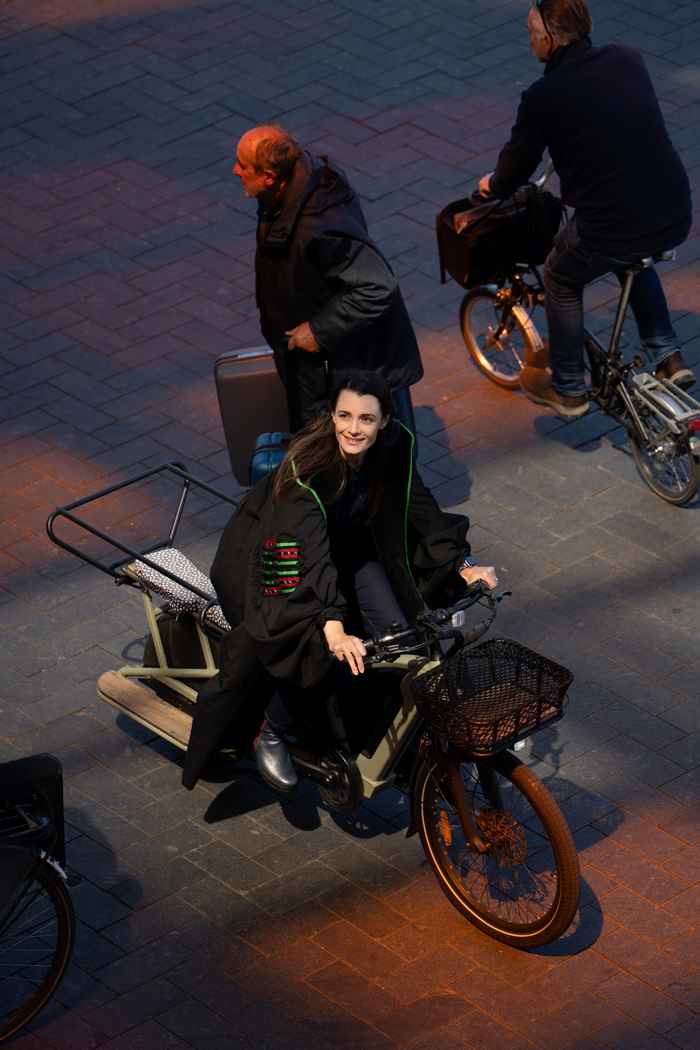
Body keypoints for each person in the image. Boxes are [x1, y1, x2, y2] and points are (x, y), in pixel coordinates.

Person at [182, 371, 496, 794]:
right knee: (306, 637)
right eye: (344, 415)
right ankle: (274, 727)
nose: (353, 428)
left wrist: (463, 564)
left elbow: (418, 505)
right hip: (279, 559)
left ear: (385, 421)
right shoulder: (309, 468)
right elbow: (306, 553)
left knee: (400, 637)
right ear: (331, 414)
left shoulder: (394, 445)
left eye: (366, 418)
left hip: (350, 551)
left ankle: (380, 732)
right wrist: (331, 623)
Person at [479, 0, 693, 419]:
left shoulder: (543, 96)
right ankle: (669, 356)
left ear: (551, 38)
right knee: (634, 254)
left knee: (560, 276)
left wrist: (493, 185)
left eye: (532, 33)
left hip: (612, 224)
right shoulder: (627, 59)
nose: (531, 41)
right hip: (672, 208)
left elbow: (517, 166)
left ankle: (569, 388)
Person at [233, 125, 423, 430]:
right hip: (318, 366)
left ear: (269, 176)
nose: (235, 171)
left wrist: (318, 331)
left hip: (341, 371)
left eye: (242, 166)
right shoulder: (292, 187)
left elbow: (376, 286)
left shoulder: (318, 227)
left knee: (336, 447)